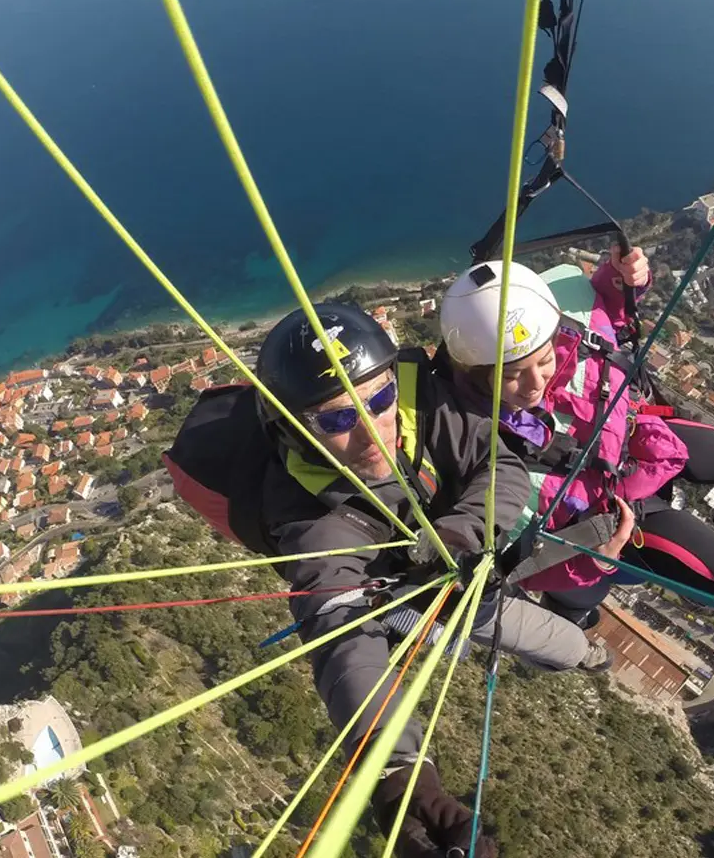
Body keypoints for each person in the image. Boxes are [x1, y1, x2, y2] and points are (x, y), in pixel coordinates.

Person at [249, 302, 611, 858]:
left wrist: (462, 534)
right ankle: (582, 651)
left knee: (560, 638)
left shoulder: (424, 402)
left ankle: (584, 650)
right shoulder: (313, 525)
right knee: (560, 643)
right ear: (295, 432)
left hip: (464, 563)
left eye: (378, 401)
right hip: (407, 593)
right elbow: (342, 641)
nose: (371, 431)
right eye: (340, 419)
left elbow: (500, 463)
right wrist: (401, 780)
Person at [437, 249, 714, 626]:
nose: (534, 384)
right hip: (608, 519)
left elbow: (605, 308)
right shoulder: (474, 444)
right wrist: (596, 556)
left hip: (641, 438)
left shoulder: (566, 329)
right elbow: (513, 564)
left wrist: (624, 276)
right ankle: (578, 608)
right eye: (512, 375)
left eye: (543, 361)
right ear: (479, 374)